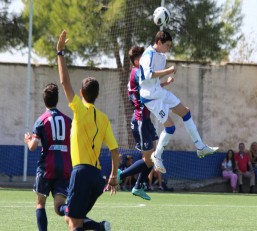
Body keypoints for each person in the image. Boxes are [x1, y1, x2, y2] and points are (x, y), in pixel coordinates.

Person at [56, 30, 120, 231]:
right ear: (97, 95)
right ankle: (101, 228)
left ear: (81, 93)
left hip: (81, 172)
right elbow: (115, 150)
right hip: (96, 177)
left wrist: (59, 53)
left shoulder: (79, 109)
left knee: (74, 224)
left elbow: (64, 82)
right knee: (73, 219)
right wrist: (113, 177)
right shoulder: (103, 118)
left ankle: (100, 228)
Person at [138, 30, 219, 174]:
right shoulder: (147, 55)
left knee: (185, 111)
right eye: (167, 45)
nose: (169, 48)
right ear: (159, 42)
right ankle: (157, 155)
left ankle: (200, 147)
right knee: (170, 127)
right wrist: (168, 71)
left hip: (159, 92)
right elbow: (147, 75)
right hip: (151, 98)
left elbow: (153, 79)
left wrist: (164, 82)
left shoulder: (161, 57)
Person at [118, 45, 173, 200]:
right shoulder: (136, 72)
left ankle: (138, 186)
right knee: (149, 159)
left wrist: (165, 84)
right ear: (136, 61)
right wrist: (167, 70)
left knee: (152, 156)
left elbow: (150, 87)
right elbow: (150, 78)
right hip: (140, 120)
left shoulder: (138, 73)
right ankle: (122, 175)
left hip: (146, 120)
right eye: (142, 59)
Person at [24, 83, 72, 231]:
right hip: (64, 166)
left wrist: (28, 140)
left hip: (47, 167)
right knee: (59, 207)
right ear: (57, 100)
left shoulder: (41, 120)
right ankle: (71, 211)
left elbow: (33, 147)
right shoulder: (68, 120)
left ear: (44, 100)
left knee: (40, 204)